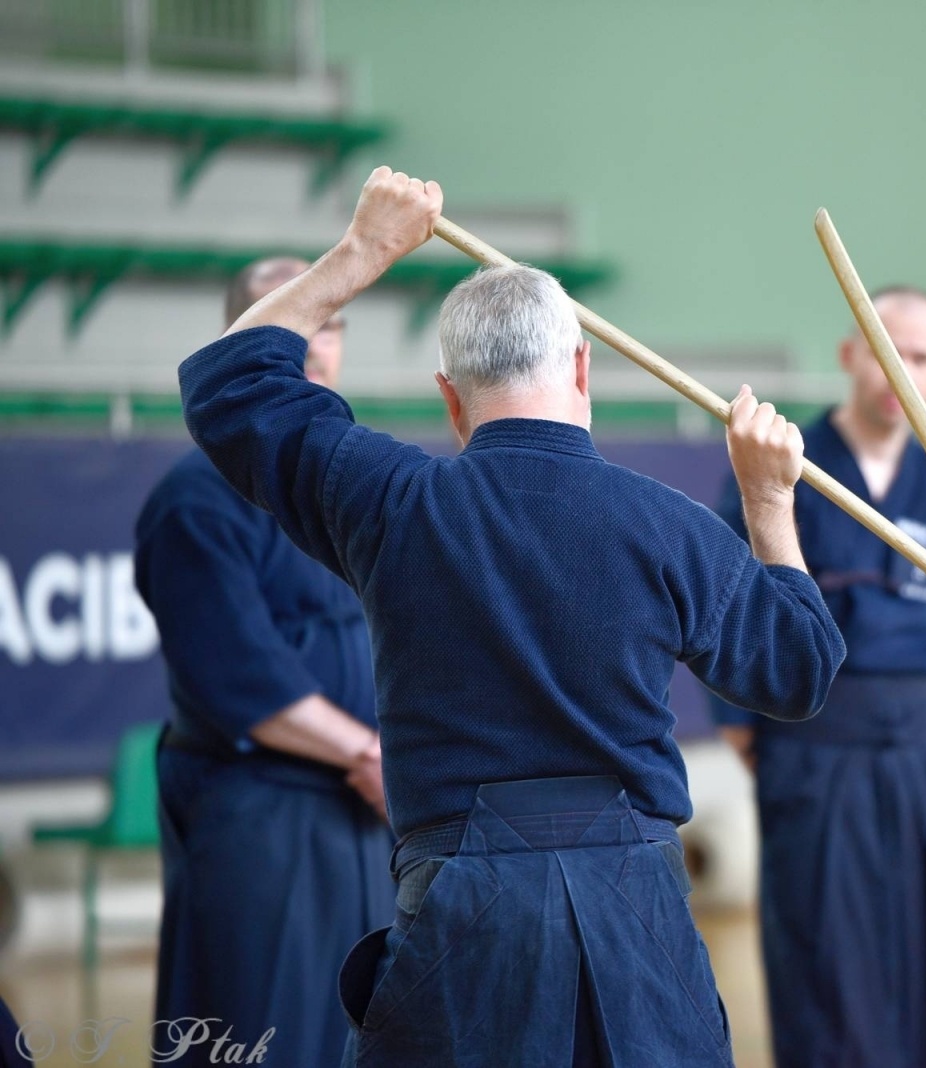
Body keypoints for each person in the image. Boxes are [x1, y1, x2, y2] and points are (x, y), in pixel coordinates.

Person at [176, 167, 846, 1067]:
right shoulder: (669, 525)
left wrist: (364, 249)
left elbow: (228, 380)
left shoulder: (393, 504)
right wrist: (768, 501)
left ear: (449, 396)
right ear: (581, 366)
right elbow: (801, 668)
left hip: (461, 920)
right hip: (637, 915)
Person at [710, 287, 926, 1068]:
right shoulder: (783, 465)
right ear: (848, 355)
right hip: (814, 744)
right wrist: (742, 724)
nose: (902, 373)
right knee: (827, 956)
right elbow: (729, 599)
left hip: (920, 750)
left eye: (921, 358)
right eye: (885, 351)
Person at [134, 258, 391, 1067]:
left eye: (331, 321)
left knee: (373, 1033)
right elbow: (239, 677)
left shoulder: (351, 485)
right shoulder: (194, 499)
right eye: (296, 318)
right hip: (263, 817)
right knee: (265, 1035)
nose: (317, 341)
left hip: (370, 812)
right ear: (241, 338)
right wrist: (367, 753)